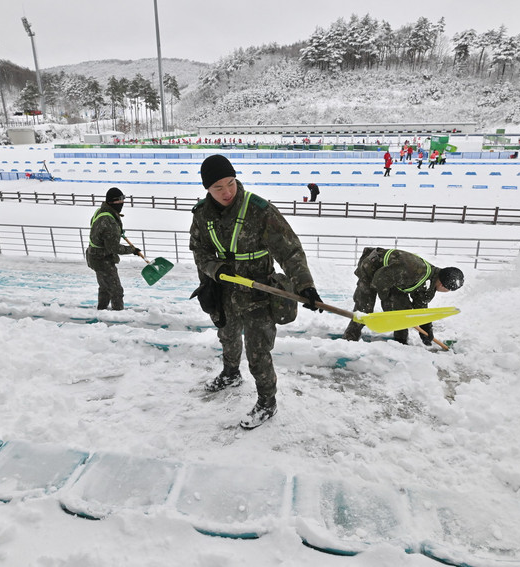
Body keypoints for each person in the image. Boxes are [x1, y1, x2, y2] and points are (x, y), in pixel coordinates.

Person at [189, 155, 322, 430]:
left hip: (258, 293)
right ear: (207, 189)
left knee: (258, 352)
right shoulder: (202, 214)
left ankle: (267, 402)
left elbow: (290, 250)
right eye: (218, 188)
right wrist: (215, 269)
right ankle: (230, 374)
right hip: (223, 291)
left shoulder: (259, 210)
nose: (227, 192)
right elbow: (199, 251)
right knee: (227, 337)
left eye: (230, 183)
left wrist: (305, 285)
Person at [342, 247, 464, 345]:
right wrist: (386, 301)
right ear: (443, 285)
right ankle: (350, 337)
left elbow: (420, 307)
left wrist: (426, 330)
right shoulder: (414, 271)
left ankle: (401, 342)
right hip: (372, 267)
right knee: (364, 307)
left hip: (393, 277)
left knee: (403, 311)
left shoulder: (430, 283)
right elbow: (380, 278)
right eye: (449, 290)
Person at [85, 187, 140, 311]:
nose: (122, 204)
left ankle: (102, 310)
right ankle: (118, 315)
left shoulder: (102, 211)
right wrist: (132, 250)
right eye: (119, 201)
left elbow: (99, 230)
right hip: (102, 259)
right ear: (112, 202)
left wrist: (115, 233)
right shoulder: (109, 221)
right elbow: (113, 247)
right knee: (116, 290)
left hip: (94, 255)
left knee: (104, 287)